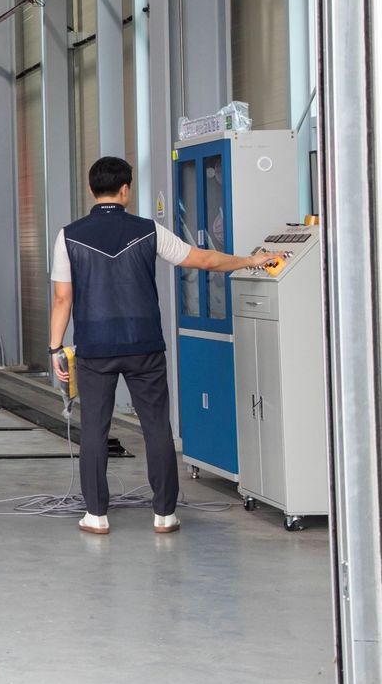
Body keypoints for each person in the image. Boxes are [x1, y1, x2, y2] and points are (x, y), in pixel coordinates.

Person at [48, 156, 284, 536]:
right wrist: (251, 260)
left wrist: (55, 348)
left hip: (94, 346)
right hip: (144, 344)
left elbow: (63, 299)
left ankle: (96, 515)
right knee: (156, 426)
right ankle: (164, 514)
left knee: (94, 428)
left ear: (93, 190)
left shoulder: (68, 235)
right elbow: (203, 259)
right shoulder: (149, 231)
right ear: (125, 190)